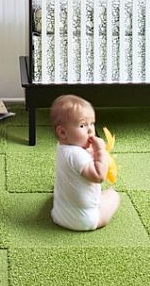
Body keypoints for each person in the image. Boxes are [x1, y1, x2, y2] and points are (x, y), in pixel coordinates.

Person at [50, 95, 120, 231]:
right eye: (82, 125)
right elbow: (99, 176)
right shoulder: (77, 155)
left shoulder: (62, 147)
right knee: (113, 195)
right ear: (63, 132)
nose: (90, 130)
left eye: (92, 124)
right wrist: (101, 151)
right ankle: (98, 213)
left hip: (58, 214)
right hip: (84, 220)